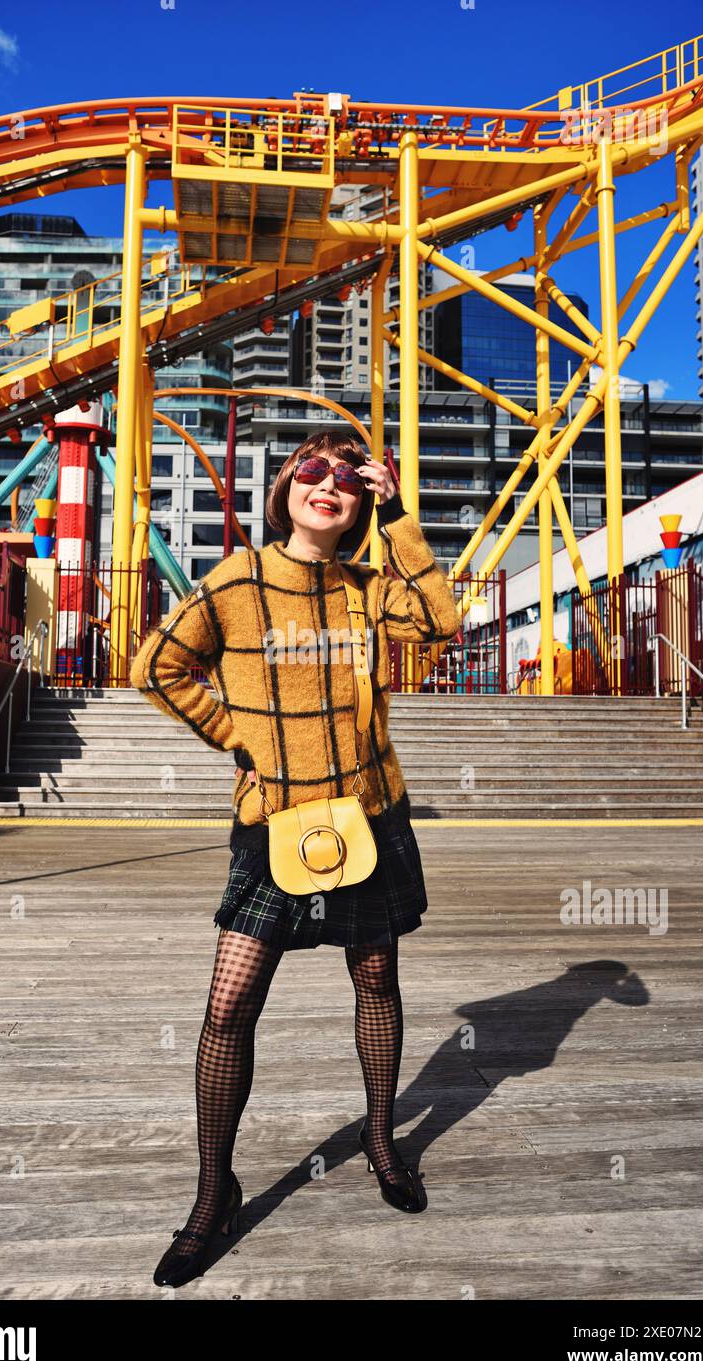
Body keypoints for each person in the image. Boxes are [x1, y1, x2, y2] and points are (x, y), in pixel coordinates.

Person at [130, 429, 461, 1288]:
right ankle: (214, 1189)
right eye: (311, 472)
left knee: (375, 981)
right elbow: (157, 666)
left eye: (348, 478)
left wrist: (398, 518)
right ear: (284, 489)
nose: (329, 486)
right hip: (274, 821)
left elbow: (442, 620)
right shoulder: (237, 581)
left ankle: (380, 1140)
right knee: (230, 1000)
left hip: (368, 815)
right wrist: (236, 735)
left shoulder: (366, 586)